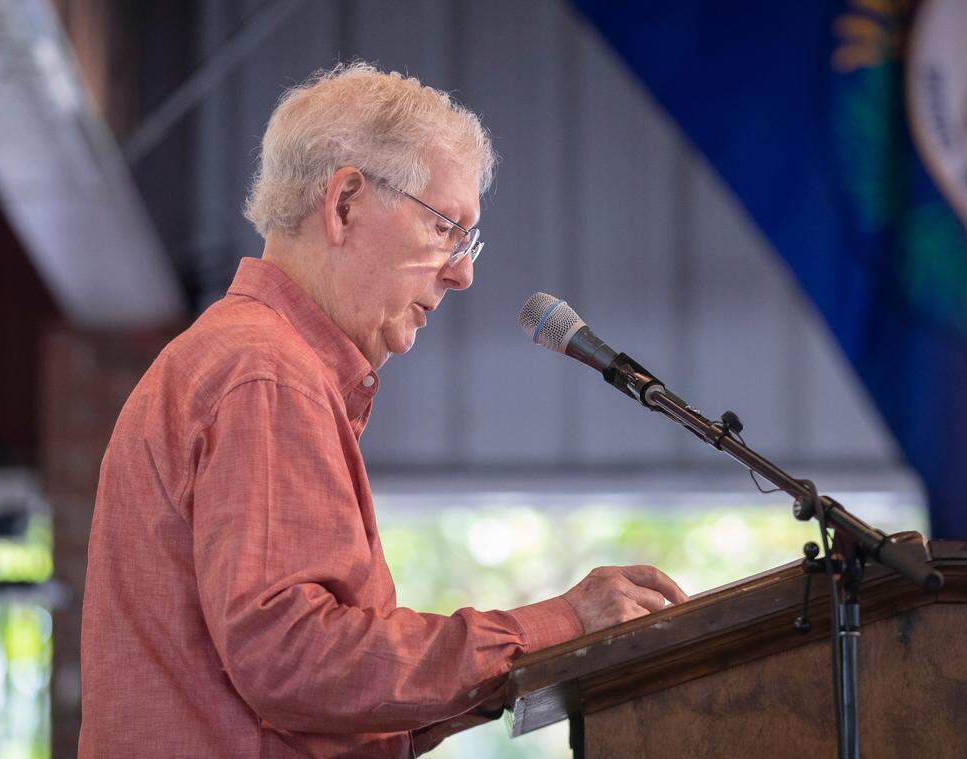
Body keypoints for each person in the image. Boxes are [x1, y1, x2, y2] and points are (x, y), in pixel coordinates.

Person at [78, 62, 687, 758]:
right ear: (344, 204)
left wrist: (540, 646)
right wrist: (554, 622)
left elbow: (322, 702)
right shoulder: (267, 372)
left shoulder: (240, 360)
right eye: (446, 229)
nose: (463, 272)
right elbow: (292, 660)